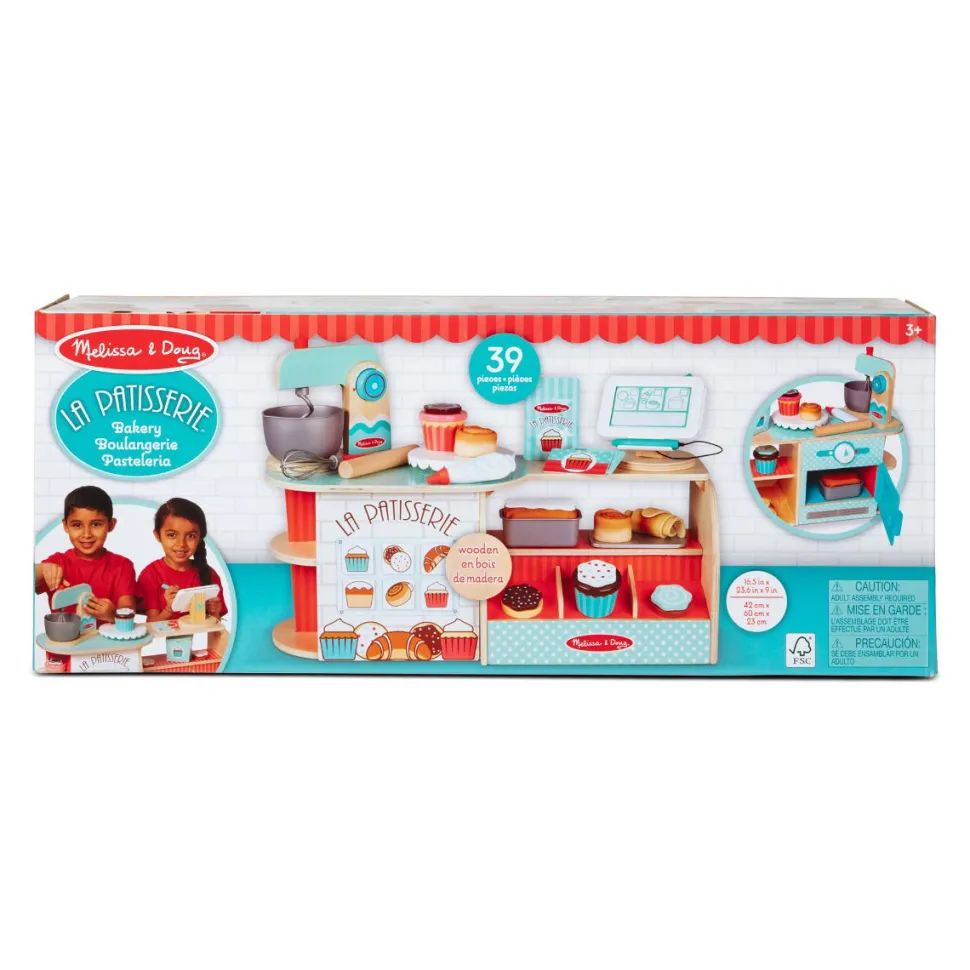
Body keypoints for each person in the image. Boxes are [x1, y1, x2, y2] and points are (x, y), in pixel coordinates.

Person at [35, 485, 136, 624]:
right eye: (77, 525)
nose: (87, 534)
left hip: (107, 638)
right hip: (66, 637)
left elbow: (128, 609)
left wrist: (112, 614)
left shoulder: (122, 565)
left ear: (111, 525)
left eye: (96, 524)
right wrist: (41, 569)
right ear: (65, 525)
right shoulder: (57, 562)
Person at [136, 497, 227, 622]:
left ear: (199, 538)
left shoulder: (209, 574)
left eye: (191, 536)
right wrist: (169, 609)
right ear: (158, 535)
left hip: (199, 635)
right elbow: (151, 627)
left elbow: (215, 629)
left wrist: (214, 613)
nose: (181, 544)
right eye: (172, 535)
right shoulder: (150, 575)